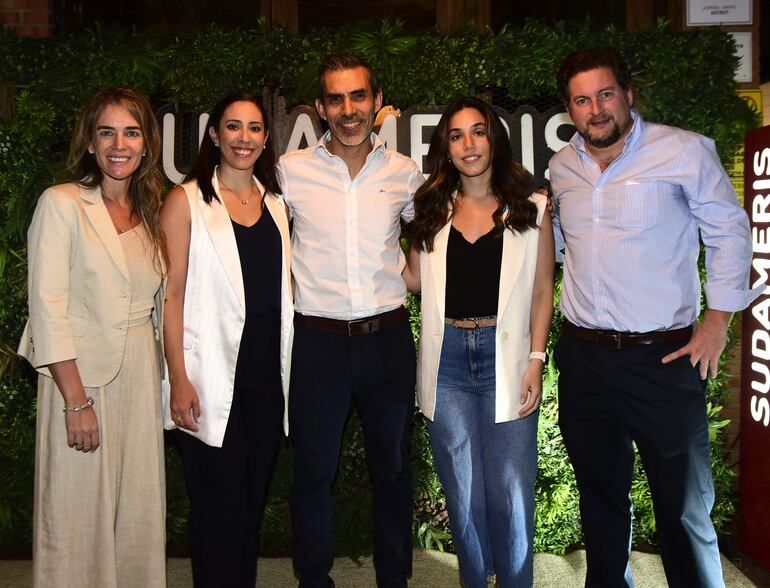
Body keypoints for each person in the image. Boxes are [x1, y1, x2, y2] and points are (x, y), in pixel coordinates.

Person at [549, 47, 757, 588]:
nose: (596, 109)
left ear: (628, 94)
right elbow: (554, 247)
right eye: (581, 100)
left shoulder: (683, 151)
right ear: (569, 110)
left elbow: (731, 232)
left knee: (683, 509)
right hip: (584, 360)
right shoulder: (561, 167)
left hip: (663, 359)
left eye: (605, 94)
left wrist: (717, 323)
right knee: (599, 496)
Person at [278, 54, 424, 588]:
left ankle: (395, 579)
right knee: (313, 474)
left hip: (386, 340)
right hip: (317, 345)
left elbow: (432, 240)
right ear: (320, 108)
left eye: (358, 96)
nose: (348, 110)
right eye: (335, 99)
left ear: (376, 102)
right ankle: (313, 580)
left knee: (392, 471)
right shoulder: (289, 173)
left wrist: (415, 277)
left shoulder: (405, 173)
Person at [18, 86, 167, 587]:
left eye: (131, 132)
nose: (119, 144)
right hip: (81, 380)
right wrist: (76, 401)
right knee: (76, 514)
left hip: (140, 378)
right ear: (90, 142)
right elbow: (47, 306)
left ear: (148, 144)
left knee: (136, 516)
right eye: (107, 132)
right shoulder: (62, 203)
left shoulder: (150, 213)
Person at [403, 96, 554, 588]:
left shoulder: (531, 207)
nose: (468, 144)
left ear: (495, 138)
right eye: (456, 135)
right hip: (446, 361)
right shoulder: (430, 209)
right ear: (445, 147)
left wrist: (536, 358)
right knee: (462, 490)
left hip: (506, 360)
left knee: (510, 491)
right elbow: (413, 279)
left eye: (478, 132)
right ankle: (473, 579)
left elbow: (540, 290)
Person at [160, 91, 293, 587]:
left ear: (265, 139)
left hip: (264, 380)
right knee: (215, 510)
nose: (244, 138)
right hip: (208, 379)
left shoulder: (276, 204)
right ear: (214, 134)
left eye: (255, 128)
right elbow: (169, 297)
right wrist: (178, 378)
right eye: (233, 127)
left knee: (248, 511)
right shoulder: (185, 200)